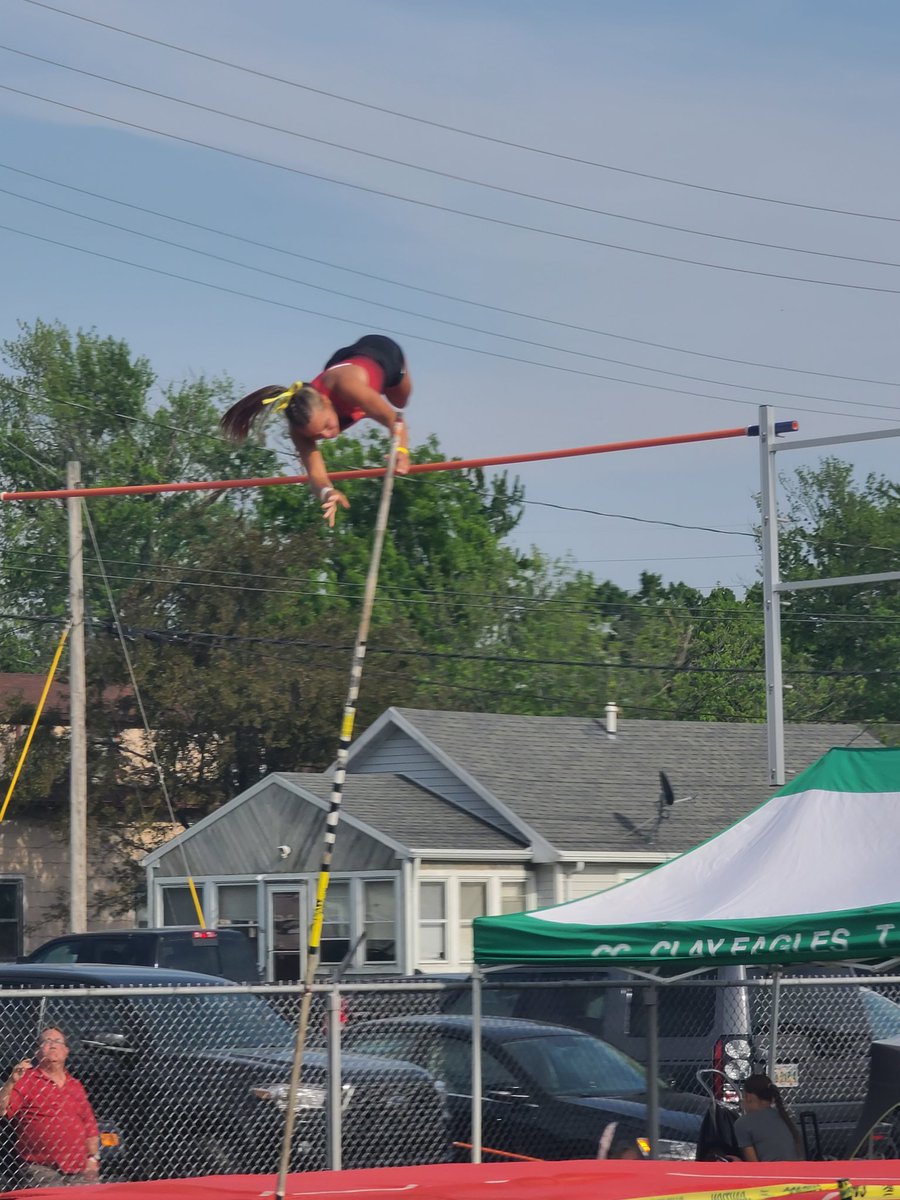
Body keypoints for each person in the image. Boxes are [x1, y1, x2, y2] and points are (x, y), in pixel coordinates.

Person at [221, 333, 412, 527]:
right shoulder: (299, 429)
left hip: (385, 354)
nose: (329, 435)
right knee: (375, 407)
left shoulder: (349, 388)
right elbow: (316, 476)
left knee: (401, 401)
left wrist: (401, 450)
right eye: (318, 435)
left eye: (327, 425)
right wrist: (327, 492)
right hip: (345, 361)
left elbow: (395, 421)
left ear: (326, 400)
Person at [0, 1026, 100, 1187]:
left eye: (57, 1041)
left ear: (66, 1051)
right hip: (40, 1168)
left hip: (79, 1168)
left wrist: (93, 1158)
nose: (52, 1045)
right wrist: (11, 1082)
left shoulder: (75, 1085)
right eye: (47, 1041)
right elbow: (2, 1110)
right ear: (37, 1052)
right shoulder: (26, 1080)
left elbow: (90, 1126)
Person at [733, 1072, 802, 1162]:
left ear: (748, 1097)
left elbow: (753, 1166)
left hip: (771, 1173)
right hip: (796, 1171)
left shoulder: (742, 1123)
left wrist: (738, 1163)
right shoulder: (786, 1117)